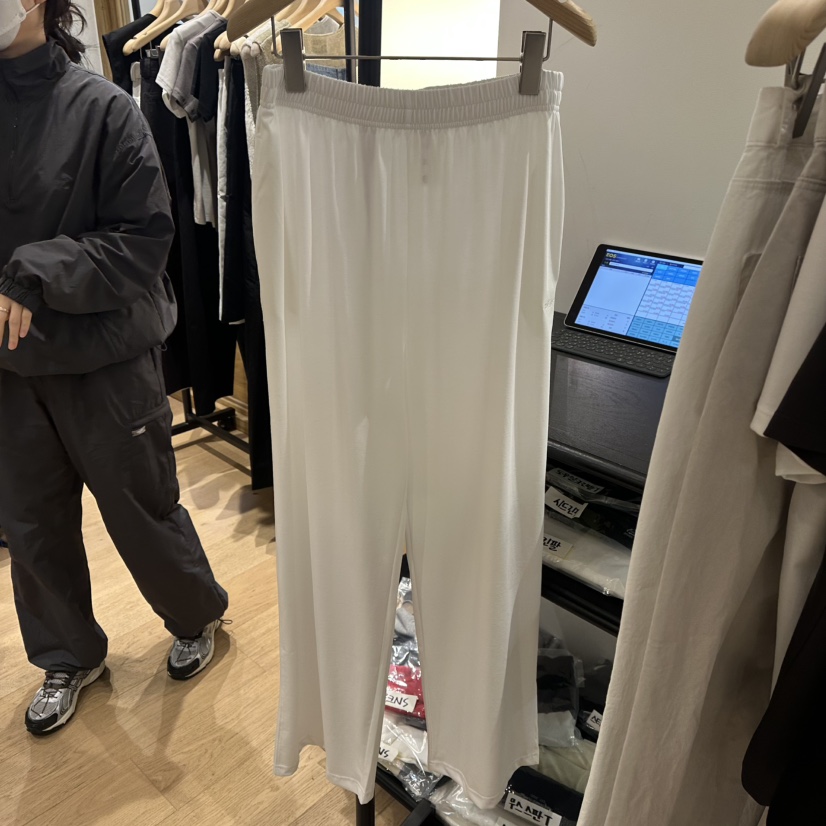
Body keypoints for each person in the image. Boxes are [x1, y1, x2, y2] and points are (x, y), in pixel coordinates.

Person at [0, 0, 229, 735]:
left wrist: (36, 270)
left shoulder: (103, 108)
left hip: (105, 356)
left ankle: (195, 613)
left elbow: (144, 238)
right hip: (11, 367)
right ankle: (67, 655)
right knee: (31, 526)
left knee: (140, 506)